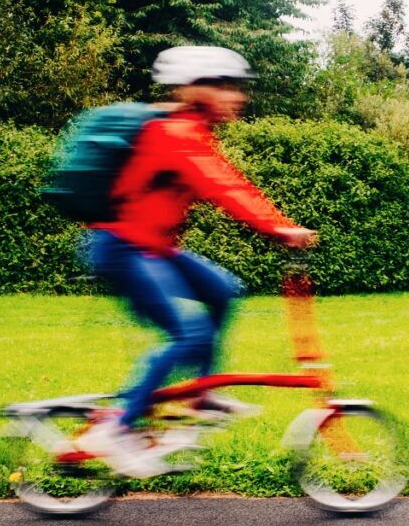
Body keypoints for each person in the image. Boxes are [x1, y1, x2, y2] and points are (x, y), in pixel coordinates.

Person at [77, 46, 316, 477]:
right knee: (190, 331)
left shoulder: (191, 131)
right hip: (121, 246)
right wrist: (279, 228)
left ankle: (200, 397)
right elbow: (224, 187)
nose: (237, 97)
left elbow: (226, 181)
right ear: (195, 90)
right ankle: (115, 427)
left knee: (223, 290)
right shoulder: (174, 134)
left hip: (153, 248)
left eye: (236, 87)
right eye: (226, 86)